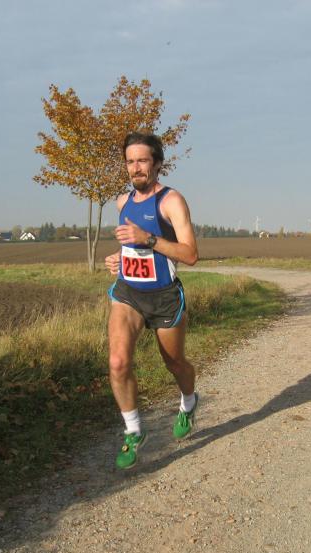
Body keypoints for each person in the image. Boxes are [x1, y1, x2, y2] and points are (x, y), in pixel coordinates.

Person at [104, 131, 200, 470]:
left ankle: (189, 403)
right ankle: (134, 432)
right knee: (118, 362)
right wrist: (118, 257)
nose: (136, 168)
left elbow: (190, 255)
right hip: (128, 293)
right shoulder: (122, 202)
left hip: (164, 298)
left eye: (142, 161)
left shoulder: (171, 201)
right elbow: (132, 247)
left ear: (157, 164)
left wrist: (149, 238)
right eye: (130, 162)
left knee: (175, 364)